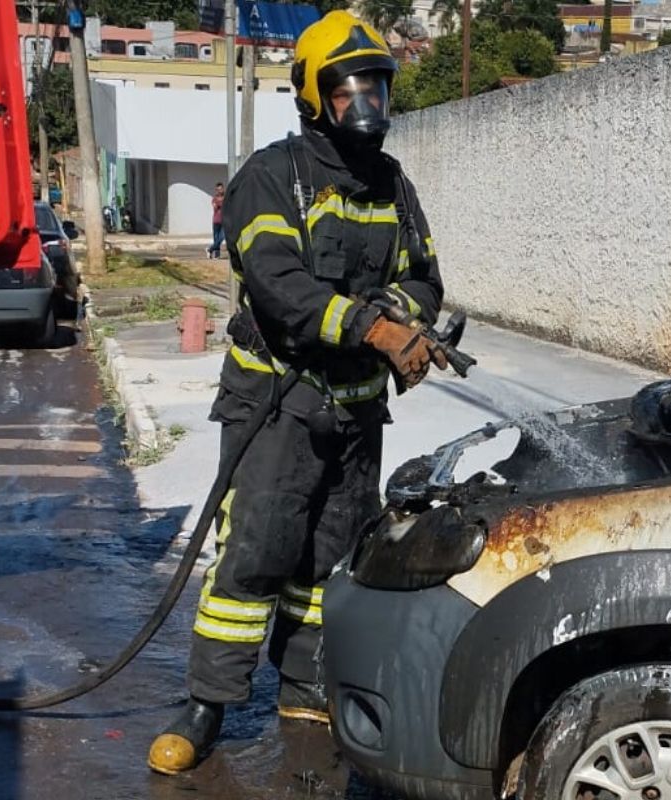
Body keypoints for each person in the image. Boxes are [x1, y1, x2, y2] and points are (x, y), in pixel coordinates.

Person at [147, 11, 446, 775]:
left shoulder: (391, 184)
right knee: (255, 556)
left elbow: (423, 279)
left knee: (328, 558)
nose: (368, 107)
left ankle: (302, 685)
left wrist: (399, 318)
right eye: (351, 92)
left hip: (353, 412)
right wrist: (374, 331)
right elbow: (282, 290)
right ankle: (207, 705)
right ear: (315, 97)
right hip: (276, 405)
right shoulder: (271, 176)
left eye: (377, 88)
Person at [207, 182, 225, 258]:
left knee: (222, 237)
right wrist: (219, 204)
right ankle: (216, 255)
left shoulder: (226, 197)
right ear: (216, 190)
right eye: (218, 189)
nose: (220, 191)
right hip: (216, 221)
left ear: (223, 189)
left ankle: (210, 249)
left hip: (224, 221)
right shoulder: (214, 198)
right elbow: (215, 207)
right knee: (216, 239)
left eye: (221, 189)